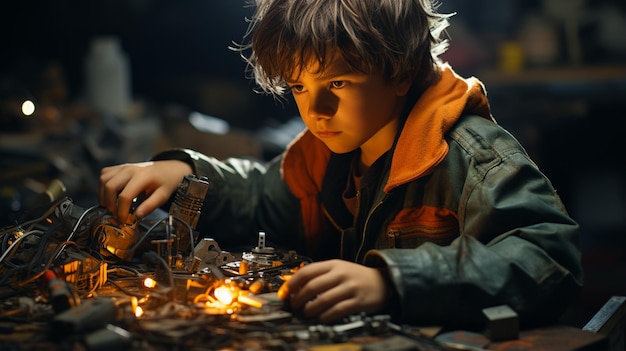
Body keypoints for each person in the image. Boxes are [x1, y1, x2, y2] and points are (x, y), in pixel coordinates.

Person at [99, 0, 583, 330]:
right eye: (299, 88)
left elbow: (549, 259)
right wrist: (185, 174)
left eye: (339, 84)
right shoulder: (328, 149)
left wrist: (392, 281)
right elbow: (262, 198)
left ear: (401, 71)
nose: (315, 112)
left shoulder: (472, 156)